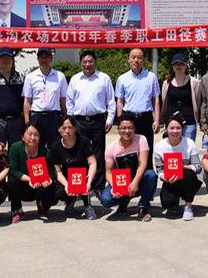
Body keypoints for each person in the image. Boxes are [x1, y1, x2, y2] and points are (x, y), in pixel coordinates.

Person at [67, 50, 116, 193]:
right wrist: (70, 121)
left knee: (98, 153)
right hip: (79, 121)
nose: (87, 64)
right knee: (80, 153)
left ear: (95, 62)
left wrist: (110, 119)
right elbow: (69, 101)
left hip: (98, 121)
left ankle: (98, 186)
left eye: (90, 61)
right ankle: (80, 185)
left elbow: (110, 101)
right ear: (80, 63)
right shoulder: (75, 79)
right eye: (84, 62)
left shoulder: (104, 78)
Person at [100, 113, 158, 221]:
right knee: (105, 200)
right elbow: (108, 172)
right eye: (123, 128)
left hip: (138, 179)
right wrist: (115, 186)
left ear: (134, 128)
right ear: (118, 129)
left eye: (130, 128)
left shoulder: (141, 139)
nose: (127, 131)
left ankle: (143, 205)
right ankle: (123, 201)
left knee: (151, 175)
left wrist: (135, 182)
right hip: (120, 181)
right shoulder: (111, 148)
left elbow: (143, 164)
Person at [115, 48, 160, 169]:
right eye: (133, 57)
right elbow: (120, 101)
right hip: (129, 118)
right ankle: (130, 176)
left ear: (144, 59)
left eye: (139, 57)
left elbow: (155, 100)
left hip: (146, 118)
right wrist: (120, 121)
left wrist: (157, 120)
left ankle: (147, 175)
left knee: (146, 148)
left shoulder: (151, 77)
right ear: (128, 59)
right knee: (128, 150)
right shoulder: (122, 78)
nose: (136, 60)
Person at [153, 114, 202, 221]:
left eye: (178, 128)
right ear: (166, 129)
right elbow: (159, 170)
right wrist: (164, 178)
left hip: (187, 180)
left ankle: (188, 205)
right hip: (170, 179)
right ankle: (175, 200)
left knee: (189, 174)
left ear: (182, 129)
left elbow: (198, 167)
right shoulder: (159, 146)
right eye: (172, 128)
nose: (175, 131)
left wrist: (185, 167)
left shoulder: (189, 143)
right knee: (167, 203)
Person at [49, 116, 98, 219]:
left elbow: (92, 163)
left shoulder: (84, 141)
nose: (67, 131)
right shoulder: (55, 147)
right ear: (59, 129)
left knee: (88, 183)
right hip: (67, 177)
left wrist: (88, 182)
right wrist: (67, 185)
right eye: (64, 128)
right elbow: (58, 172)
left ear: (75, 128)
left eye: (70, 127)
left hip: (85, 175)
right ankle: (70, 201)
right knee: (60, 192)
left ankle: (87, 205)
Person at [7, 122, 58, 223]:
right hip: (24, 185)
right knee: (12, 181)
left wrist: (48, 180)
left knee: (53, 191)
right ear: (22, 136)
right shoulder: (15, 148)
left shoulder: (45, 151)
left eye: (36, 134)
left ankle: (41, 203)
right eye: (29, 134)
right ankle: (18, 211)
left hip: (40, 186)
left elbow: (52, 173)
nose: (33, 137)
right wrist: (30, 179)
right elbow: (13, 170)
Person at [22, 47, 68, 149]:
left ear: (51, 58)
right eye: (41, 57)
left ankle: (53, 160)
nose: (44, 60)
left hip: (54, 116)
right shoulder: (30, 77)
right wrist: (27, 121)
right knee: (36, 145)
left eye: (46, 57)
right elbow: (27, 100)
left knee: (55, 146)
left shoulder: (60, 76)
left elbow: (63, 100)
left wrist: (65, 117)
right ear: (37, 59)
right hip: (37, 116)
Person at [160, 53, 202, 143]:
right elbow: (164, 103)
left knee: (188, 148)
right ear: (172, 66)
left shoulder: (194, 82)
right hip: (171, 123)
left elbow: (198, 102)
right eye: (176, 63)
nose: (179, 66)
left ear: (186, 65)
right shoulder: (166, 83)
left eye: (181, 63)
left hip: (189, 122)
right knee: (172, 148)